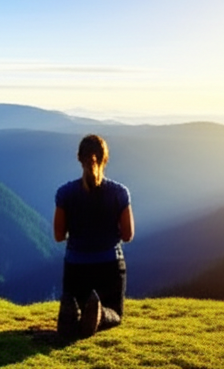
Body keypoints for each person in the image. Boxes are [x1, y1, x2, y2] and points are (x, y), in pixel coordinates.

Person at [54, 134, 134, 339]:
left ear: (79, 158)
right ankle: (99, 313)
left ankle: (70, 313)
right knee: (115, 314)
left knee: (76, 304)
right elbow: (128, 235)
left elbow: (58, 235)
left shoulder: (65, 193)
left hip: (76, 269)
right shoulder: (120, 193)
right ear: (105, 158)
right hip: (109, 267)